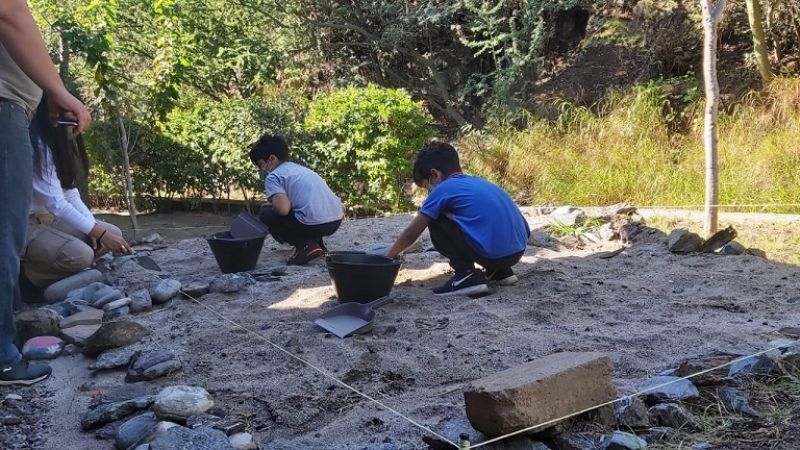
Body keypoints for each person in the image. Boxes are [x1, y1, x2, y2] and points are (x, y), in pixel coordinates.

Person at [1, 0, 90, 385]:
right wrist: (58, 88)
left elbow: (68, 194)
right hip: (4, 107)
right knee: (5, 234)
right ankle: (4, 355)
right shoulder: (28, 135)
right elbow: (9, 10)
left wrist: (96, 225)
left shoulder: (53, 142)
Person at [386, 142, 530, 296]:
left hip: (492, 255)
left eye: (426, 186)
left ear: (435, 175)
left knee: (434, 214)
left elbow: (411, 233)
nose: (429, 192)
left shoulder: (443, 189)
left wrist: (387, 257)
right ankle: (501, 272)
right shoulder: (482, 183)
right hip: (516, 252)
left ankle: (466, 275)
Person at [20, 97, 131, 296]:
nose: (74, 129)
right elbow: (56, 203)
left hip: (51, 220)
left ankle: (67, 273)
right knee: (82, 254)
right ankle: (29, 279)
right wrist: (98, 234)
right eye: (70, 122)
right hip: (27, 224)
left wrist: (94, 231)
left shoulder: (62, 145)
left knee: (112, 232)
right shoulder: (36, 145)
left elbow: (70, 193)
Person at [249, 135, 344, 265]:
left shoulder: (273, 176)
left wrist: (272, 203)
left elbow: (283, 210)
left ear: (272, 158)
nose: (261, 169)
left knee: (266, 212)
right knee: (305, 209)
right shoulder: (298, 169)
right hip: (335, 220)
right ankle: (317, 245)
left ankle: (304, 246)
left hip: (313, 224)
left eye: (260, 164)